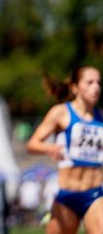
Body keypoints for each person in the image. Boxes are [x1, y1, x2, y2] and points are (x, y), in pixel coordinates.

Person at [26, 66, 103, 234]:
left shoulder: (101, 118)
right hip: (67, 196)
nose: (96, 87)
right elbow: (32, 144)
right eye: (90, 82)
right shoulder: (61, 113)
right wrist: (49, 148)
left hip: (96, 194)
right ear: (75, 87)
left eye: (99, 82)